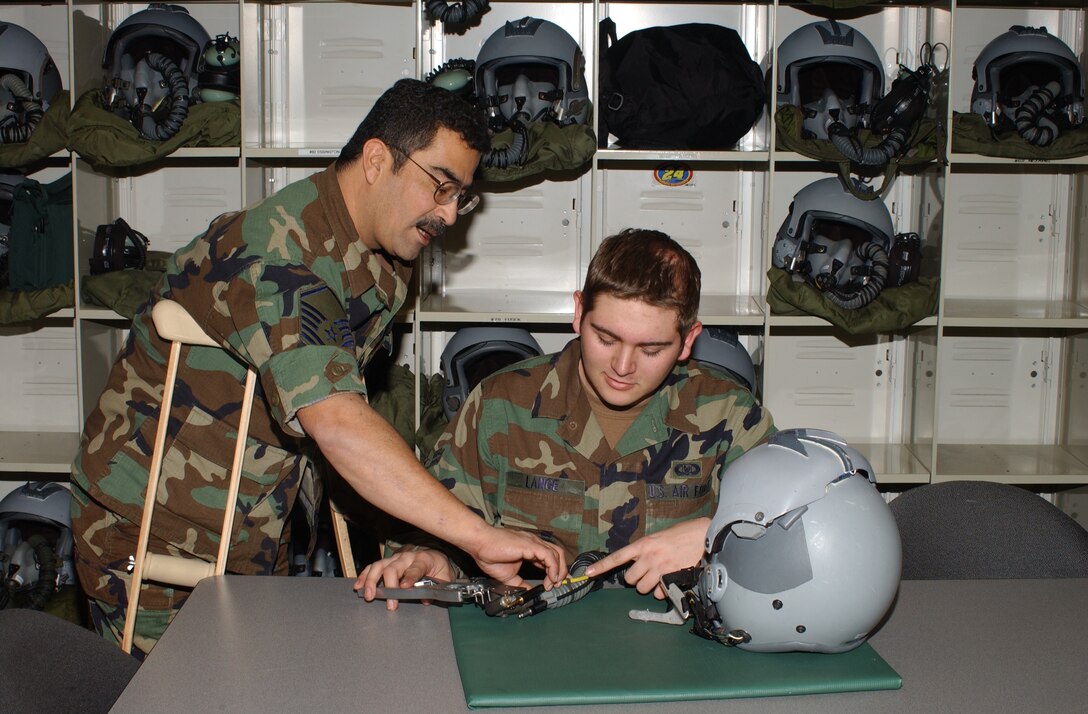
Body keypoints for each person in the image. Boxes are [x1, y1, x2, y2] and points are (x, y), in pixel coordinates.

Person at [69, 79, 566, 657]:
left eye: (463, 197)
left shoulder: (382, 257)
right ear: (378, 159)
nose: (450, 214)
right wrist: (478, 538)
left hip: (251, 523)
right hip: (154, 535)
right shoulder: (276, 258)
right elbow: (337, 421)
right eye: (441, 186)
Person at [357, 229, 777, 608]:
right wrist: (432, 558)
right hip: (528, 648)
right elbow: (437, 522)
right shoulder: (501, 403)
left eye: (651, 349)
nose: (623, 366)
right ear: (578, 312)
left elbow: (809, 531)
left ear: (688, 341)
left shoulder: (729, 415)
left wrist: (713, 535)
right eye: (605, 338)